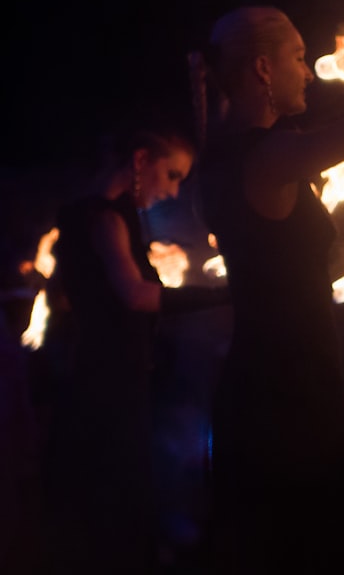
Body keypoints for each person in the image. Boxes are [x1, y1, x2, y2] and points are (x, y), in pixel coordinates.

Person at [189, 5, 344, 574]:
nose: (308, 71)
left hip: (276, 378)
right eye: (296, 58)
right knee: (303, 548)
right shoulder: (261, 155)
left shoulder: (246, 152)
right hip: (283, 392)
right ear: (263, 70)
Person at [40, 111, 230, 574]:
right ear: (141, 159)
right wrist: (221, 294)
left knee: (116, 481)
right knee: (119, 484)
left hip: (104, 370)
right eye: (172, 175)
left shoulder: (86, 214)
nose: (172, 190)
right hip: (110, 376)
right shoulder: (105, 218)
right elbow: (136, 294)